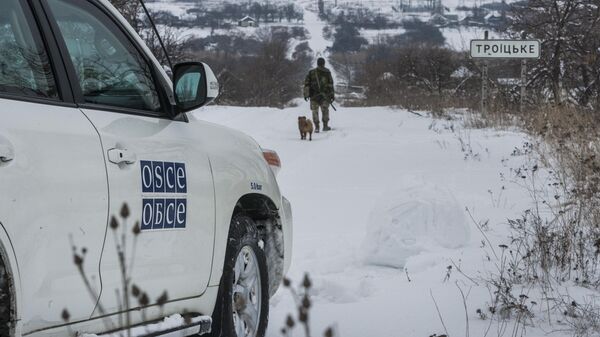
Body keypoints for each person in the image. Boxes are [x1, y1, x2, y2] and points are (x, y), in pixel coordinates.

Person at [304, 57, 335, 132]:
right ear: (324, 63)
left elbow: (306, 84)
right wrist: (332, 95)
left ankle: (317, 127)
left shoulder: (311, 72)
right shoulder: (327, 72)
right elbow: (331, 84)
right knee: (325, 110)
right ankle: (325, 126)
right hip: (325, 96)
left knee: (315, 111)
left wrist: (306, 94)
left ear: (317, 63)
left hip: (313, 96)